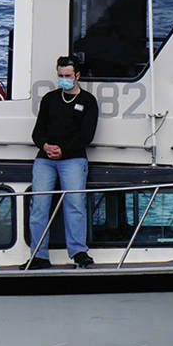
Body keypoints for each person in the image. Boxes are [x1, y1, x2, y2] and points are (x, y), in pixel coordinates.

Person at [27, 53, 98, 268]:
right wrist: (45, 146)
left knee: (75, 204)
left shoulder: (87, 101)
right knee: (39, 205)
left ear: (77, 75)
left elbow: (87, 135)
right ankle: (38, 255)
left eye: (67, 75)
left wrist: (63, 149)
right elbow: (37, 132)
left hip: (73, 159)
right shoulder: (49, 99)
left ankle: (78, 252)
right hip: (45, 159)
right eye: (60, 75)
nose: (64, 78)